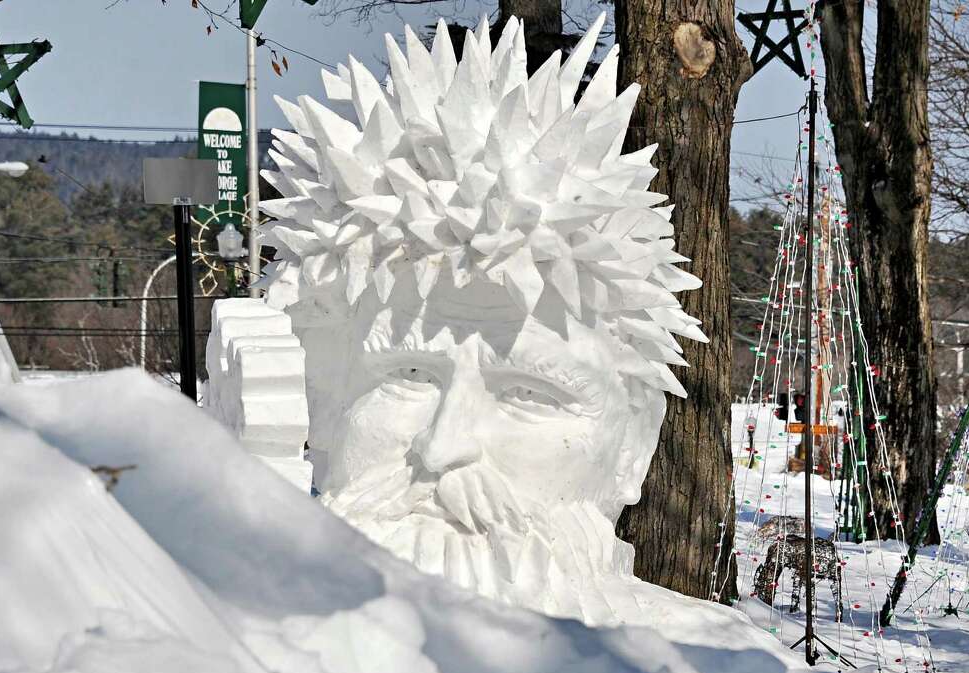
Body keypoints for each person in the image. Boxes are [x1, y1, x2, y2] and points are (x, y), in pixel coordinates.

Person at [255, 15, 710, 624]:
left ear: (634, 444)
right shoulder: (201, 658)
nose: (444, 450)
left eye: (528, 392)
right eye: (410, 373)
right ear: (325, 396)